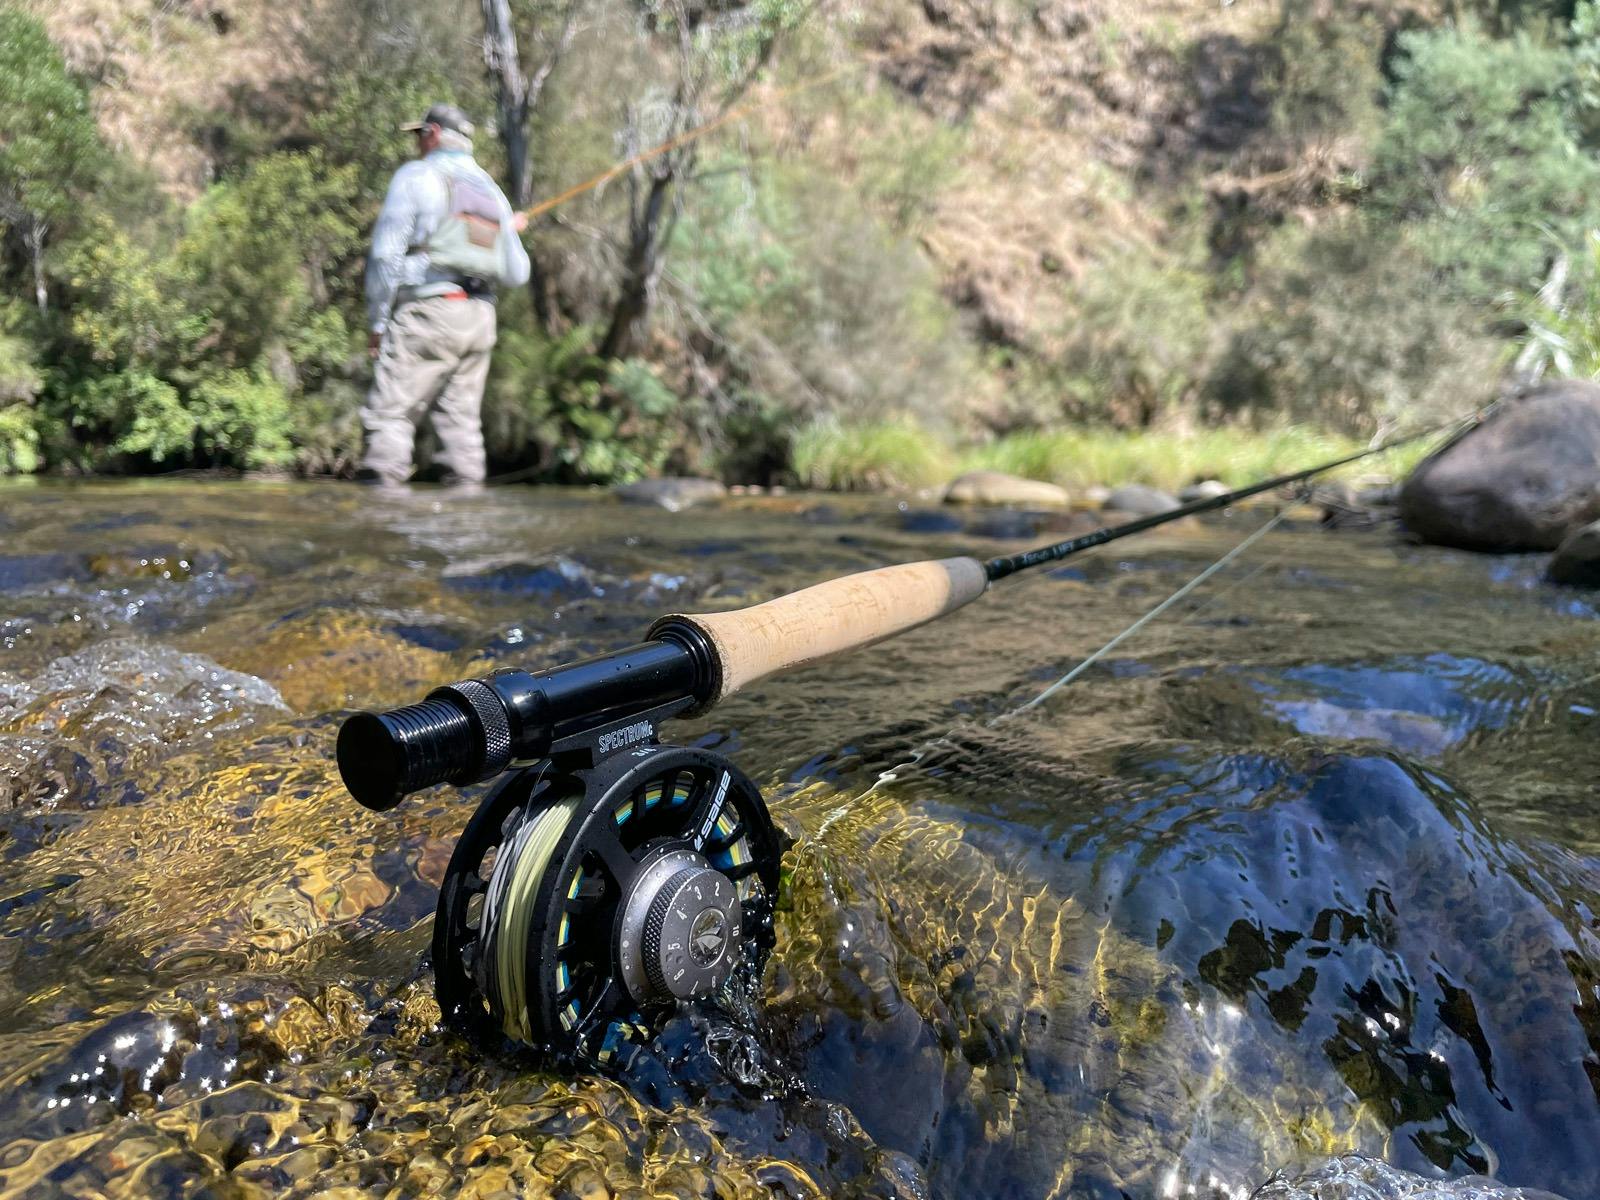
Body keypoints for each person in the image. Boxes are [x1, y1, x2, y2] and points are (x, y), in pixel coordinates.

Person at [360, 103, 531, 486]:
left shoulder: (416, 176)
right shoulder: (493, 193)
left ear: (433, 134)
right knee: (462, 429)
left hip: (429, 313)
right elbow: (518, 274)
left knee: (390, 416)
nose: (418, 144)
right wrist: (509, 233)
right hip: (479, 319)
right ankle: (464, 528)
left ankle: (377, 530)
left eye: (420, 135)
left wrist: (378, 321)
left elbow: (386, 256)